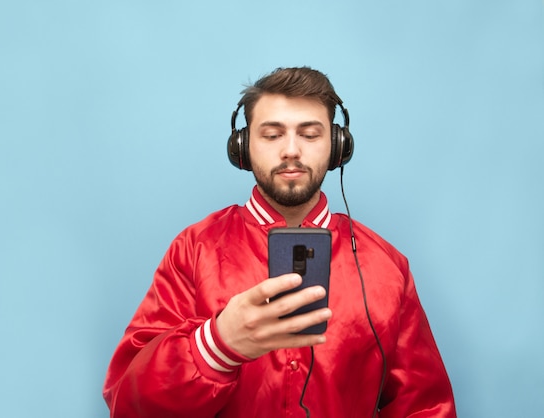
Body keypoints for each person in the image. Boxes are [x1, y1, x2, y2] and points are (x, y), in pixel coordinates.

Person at [103, 67, 456, 417]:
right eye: (272, 135)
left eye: (310, 135)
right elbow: (128, 404)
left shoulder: (386, 266)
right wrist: (217, 345)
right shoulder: (194, 249)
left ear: (337, 146)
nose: (290, 150)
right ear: (242, 147)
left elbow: (425, 408)